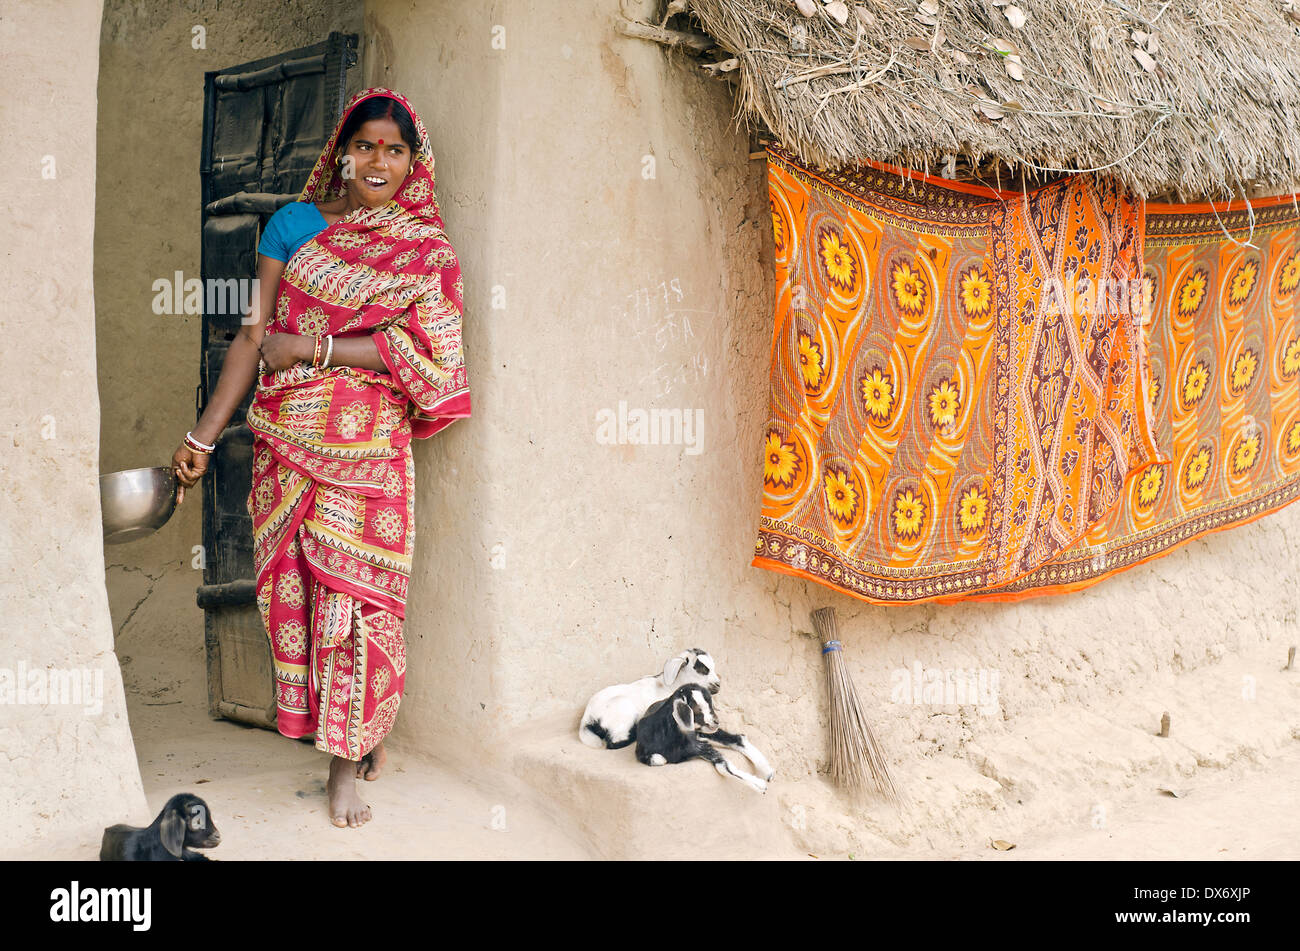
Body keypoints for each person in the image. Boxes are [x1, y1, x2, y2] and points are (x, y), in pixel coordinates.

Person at [171, 88, 469, 828]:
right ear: (341, 152)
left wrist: (314, 347)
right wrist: (203, 438)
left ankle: (347, 766)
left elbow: (426, 352)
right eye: (364, 145)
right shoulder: (294, 226)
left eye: (394, 149)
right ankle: (341, 734)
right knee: (295, 596)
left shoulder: (422, 250)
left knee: (359, 600)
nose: (378, 161)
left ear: (412, 161)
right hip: (287, 438)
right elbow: (252, 335)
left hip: (368, 450)